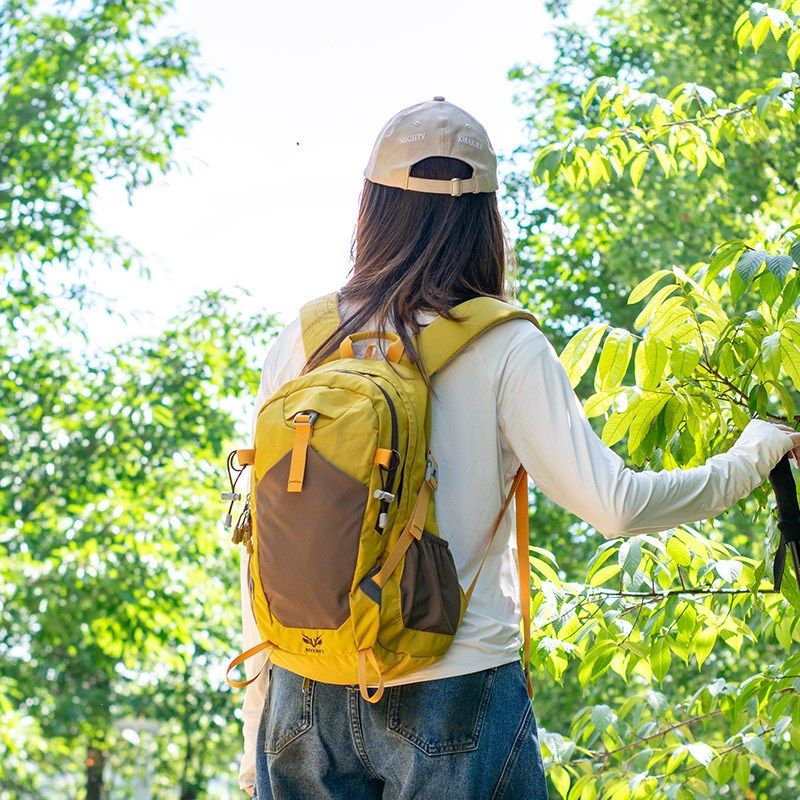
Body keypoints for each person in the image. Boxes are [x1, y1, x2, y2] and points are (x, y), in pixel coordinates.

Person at [236, 97, 800, 800]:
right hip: (455, 687)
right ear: (484, 217)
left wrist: (257, 714)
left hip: (302, 689)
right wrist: (755, 452)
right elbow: (618, 507)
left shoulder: (307, 335)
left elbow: (267, 529)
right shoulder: (504, 344)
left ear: (372, 207)